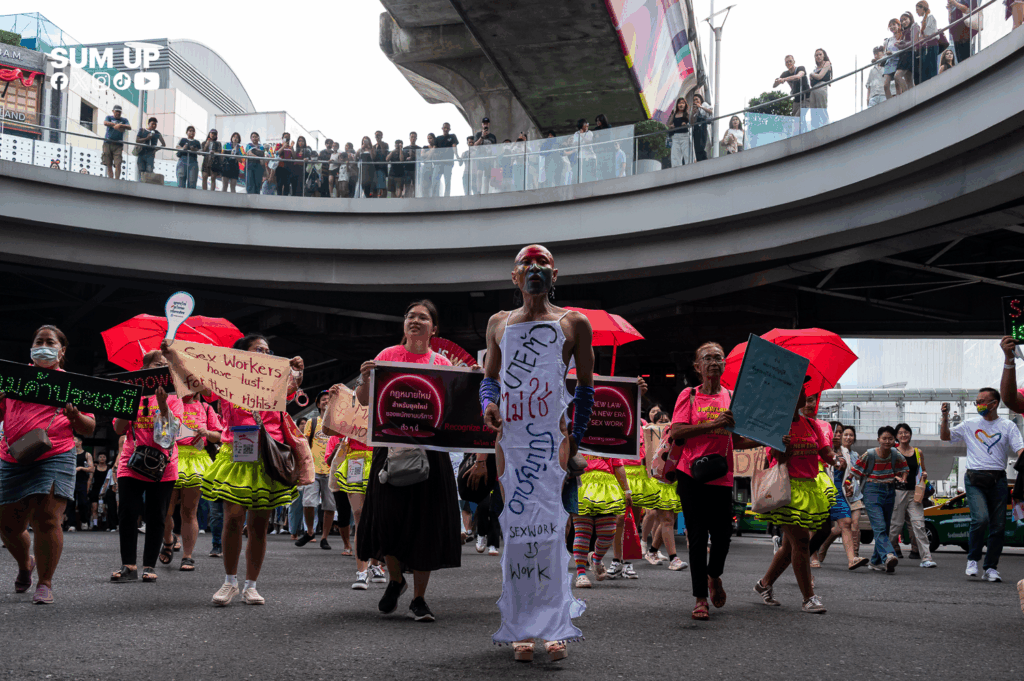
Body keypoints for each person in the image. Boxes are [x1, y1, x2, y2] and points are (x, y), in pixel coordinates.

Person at [478, 245, 590, 660]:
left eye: (542, 263)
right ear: (515, 277)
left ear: (555, 273)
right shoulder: (499, 323)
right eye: (527, 264)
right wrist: (488, 406)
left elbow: (588, 387)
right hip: (511, 442)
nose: (535, 269)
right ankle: (522, 625)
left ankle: (554, 623)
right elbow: (489, 380)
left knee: (555, 528)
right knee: (517, 528)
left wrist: (575, 435)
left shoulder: (574, 323)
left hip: (551, 442)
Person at [166, 335, 304, 605]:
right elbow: (198, 382)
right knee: (232, 518)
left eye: (267, 350)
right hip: (235, 452)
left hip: (268, 454)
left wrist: (298, 370)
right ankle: (230, 582)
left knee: (259, 525)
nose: (264, 354)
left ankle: (251, 585)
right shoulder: (225, 380)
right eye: (257, 349)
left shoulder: (277, 379)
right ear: (241, 356)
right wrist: (174, 356)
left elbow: (293, 388)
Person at [354, 300, 461, 622]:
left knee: (426, 524)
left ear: (434, 328)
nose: (415, 321)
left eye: (423, 317)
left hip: (431, 453)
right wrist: (365, 379)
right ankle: (396, 578)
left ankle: (419, 598)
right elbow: (363, 400)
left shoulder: (442, 363)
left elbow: (454, 410)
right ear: (404, 324)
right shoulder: (386, 356)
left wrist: (466, 383)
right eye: (411, 316)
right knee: (388, 518)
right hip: (390, 449)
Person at [0, 325, 96, 604]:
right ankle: (25, 564)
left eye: (49, 341)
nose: (43, 345)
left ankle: (45, 581)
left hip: (55, 453)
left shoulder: (72, 384)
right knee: (7, 525)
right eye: (38, 341)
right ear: (31, 348)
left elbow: (89, 428)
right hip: (12, 455)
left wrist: (76, 416)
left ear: (61, 350)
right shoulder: (15, 379)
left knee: (47, 518)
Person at [668, 342, 763, 620]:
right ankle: (700, 598)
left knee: (722, 535)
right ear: (698, 367)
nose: (713, 362)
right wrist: (713, 424)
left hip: (721, 475)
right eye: (707, 358)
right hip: (690, 474)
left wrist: (766, 438)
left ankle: (714, 575)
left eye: (718, 358)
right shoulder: (690, 395)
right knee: (697, 537)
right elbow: (677, 430)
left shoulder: (732, 397)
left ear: (724, 365)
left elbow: (737, 439)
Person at [754, 386, 835, 614]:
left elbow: (825, 452)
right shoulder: (777, 422)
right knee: (800, 542)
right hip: (785, 489)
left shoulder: (810, 424)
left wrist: (836, 459)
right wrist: (783, 447)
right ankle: (808, 598)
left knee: (791, 544)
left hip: (809, 488)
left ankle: (764, 584)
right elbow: (776, 459)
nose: (804, 395)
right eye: (800, 391)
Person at [110, 350, 183, 585]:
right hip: (131, 462)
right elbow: (118, 428)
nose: (161, 369)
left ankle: (149, 565)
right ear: (145, 370)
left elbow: (171, 435)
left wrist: (163, 407)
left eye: (165, 366)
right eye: (156, 365)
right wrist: (130, 402)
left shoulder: (174, 397)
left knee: (156, 515)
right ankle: (128, 565)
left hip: (164, 466)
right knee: (128, 513)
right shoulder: (132, 393)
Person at [953, 367, 1024, 581]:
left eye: (984, 400)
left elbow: (1020, 449)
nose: (979, 404)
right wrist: (945, 418)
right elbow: (946, 437)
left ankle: (991, 567)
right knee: (980, 519)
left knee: (999, 526)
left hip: (998, 480)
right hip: (974, 478)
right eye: (977, 401)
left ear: (995, 403)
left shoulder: (1008, 426)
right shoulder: (969, 424)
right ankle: (973, 559)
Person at [161, 396, 221, 572]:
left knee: (189, 511)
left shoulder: (206, 407)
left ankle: (188, 556)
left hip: (196, 459)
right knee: (165, 511)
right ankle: (168, 540)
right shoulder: (170, 401)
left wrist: (207, 433)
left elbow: (218, 435)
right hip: (172, 456)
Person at [846, 426, 908, 574]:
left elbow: (905, 469)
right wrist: (848, 486)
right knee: (879, 526)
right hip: (872, 491)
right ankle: (888, 555)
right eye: (884, 438)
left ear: (895, 440)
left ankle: (875, 561)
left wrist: (903, 479)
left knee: (885, 528)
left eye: (890, 438)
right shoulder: (870, 454)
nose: (887, 441)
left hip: (889, 491)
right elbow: (852, 473)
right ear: (878, 439)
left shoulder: (895, 454)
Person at [816, 425, 868, 564]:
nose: (838, 435)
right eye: (835, 432)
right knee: (816, 527)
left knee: (846, 523)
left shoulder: (847, 453)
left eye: (840, 432)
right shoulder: (819, 451)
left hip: (839, 494)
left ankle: (852, 559)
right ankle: (813, 556)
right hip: (821, 493)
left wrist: (848, 486)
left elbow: (849, 475)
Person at [888, 424, 936, 567]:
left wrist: (924, 475)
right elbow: (887, 471)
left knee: (919, 525)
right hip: (898, 492)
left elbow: (923, 470)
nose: (904, 435)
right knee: (895, 526)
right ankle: (884, 554)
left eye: (906, 432)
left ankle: (926, 558)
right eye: (900, 433)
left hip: (915, 493)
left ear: (910, 434)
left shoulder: (917, 452)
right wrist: (896, 478)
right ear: (896, 436)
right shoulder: (893, 452)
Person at [297, 392, 336, 550]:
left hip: (331, 469)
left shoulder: (338, 424)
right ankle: (310, 531)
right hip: (313, 469)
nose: (326, 401)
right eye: (323, 400)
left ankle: (324, 537)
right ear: (318, 404)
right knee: (308, 502)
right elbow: (305, 445)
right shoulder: (312, 422)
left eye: (329, 399)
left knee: (329, 506)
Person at [774, 56, 809, 122]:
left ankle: (802, 131)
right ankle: (804, 131)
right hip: (796, 100)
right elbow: (774, 86)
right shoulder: (785, 73)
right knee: (797, 119)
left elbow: (798, 76)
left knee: (797, 118)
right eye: (787, 62)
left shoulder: (800, 68)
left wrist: (784, 79)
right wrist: (777, 81)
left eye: (790, 61)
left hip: (806, 98)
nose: (789, 63)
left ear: (794, 62)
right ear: (785, 64)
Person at [101, 104, 131, 180]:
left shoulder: (124, 120)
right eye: (116, 111)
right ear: (113, 111)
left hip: (118, 145)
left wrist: (120, 126)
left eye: (119, 112)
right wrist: (115, 125)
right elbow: (105, 122)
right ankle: (111, 179)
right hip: (107, 143)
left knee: (118, 163)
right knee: (108, 163)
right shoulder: (109, 117)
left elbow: (129, 127)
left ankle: (117, 180)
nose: (118, 113)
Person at [71, 436, 94, 531]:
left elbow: (92, 469)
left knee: (83, 503)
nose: (72, 441)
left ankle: (84, 521)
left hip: (82, 482)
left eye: (74, 440)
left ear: (80, 442)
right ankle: (71, 524)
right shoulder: (70, 454)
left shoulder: (86, 454)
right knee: (70, 503)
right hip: (71, 481)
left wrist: (80, 468)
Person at [916, 1, 942, 83]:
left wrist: (921, 37)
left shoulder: (930, 17)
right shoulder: (924, 19)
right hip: (927, 45)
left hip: (932, 44)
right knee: (926, 68)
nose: (916, 11)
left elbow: (929, 32)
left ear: (923, 8)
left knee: (931, 67)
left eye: (917, 9)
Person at [807, 49, 833, 129]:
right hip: (813, 90)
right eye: (816, 55)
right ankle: (815, 130)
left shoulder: (827, 63)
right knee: (814, 113)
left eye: (820, 54)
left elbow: (820, 76)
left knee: (821, 109)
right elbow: (811, 83)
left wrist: (812, 74)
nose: (818, 56)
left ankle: (826, 127)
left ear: (823, 55)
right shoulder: (816, 68)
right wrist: (813, 76)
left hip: (821, 87)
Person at [894, 13, 919, 95]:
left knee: (897, 76)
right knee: (908, 79)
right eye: (902, 21)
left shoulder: (914, 26)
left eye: (905, 19)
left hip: (909, 54)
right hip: (904, 54)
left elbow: (914, 42)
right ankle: (911, 96)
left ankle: (906, 95)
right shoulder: (905, 31)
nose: (904, 22)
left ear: (910, 18)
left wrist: (902, 45)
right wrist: (901, 43)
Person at [947, 0, 979, 64]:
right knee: (960, 60)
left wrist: (955, 3)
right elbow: (950, 21)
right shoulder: (956, 2)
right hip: (956, 35)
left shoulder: (959, 2)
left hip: (965, 32)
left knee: (966, 59)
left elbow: (967, 10)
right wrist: (949, 10)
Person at [434, 122, 459, 197]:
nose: (446, 129)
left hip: (448, 162)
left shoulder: (452, 136)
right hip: (439, 162)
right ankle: (435, 196)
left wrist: (457, 156)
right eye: (445, 128)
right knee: (435, 180)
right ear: (442, 128)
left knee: (447, 180)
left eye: (447, 128)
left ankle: (446, 196)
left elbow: (454, 146)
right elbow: (434, 149)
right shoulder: (438, 138)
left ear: (449, 129)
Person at [88, 452, 110, 530]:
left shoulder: (109, 468)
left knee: (103, 509)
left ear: (106, 458)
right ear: (97, 458)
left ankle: (104, 523)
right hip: (95, 489)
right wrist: (88, 488)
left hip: (105, 490)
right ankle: (95, 525)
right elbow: (90, 479)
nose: (102, 458)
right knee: (94, 508)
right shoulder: (94, 468)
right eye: (100, 457)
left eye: (104, 457)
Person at [668, 98, 691, 167]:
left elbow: (690, 122)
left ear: (685, 104)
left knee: (687, 154)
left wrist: (686, 123)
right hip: (675, 136)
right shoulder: (675, 114)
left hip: (685, 136)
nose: (681, 105)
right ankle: (676, 171)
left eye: (683, 103)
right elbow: (669, 124)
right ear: (677, 105)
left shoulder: (686, 113)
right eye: (679, 103)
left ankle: (689, 168)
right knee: (675, 155)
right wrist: (671, 126)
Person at [884, 20, 903, 98]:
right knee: (885, 85)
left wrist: (892, 53)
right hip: (889, 62)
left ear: (898, 25)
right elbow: (885, 52)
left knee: (897, 85)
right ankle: (890, 102)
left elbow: (903, 49)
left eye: (894, 25)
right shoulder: (888, 40)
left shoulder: (902, 36)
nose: (892, 27)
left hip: (897, 61)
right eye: (890, 26)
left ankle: (900, 100)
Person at [691, 94, 712, 161]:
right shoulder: (694, 108)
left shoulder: (704, 104)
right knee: (696, 146)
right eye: (694, 100)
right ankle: (699, 160)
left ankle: (704, 160)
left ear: (700, 99)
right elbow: (692, 122)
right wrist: (693, 113)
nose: (695, 101)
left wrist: (701, 107)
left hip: (703, 126)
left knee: (702, 145)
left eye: (697, 99)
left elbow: (710, 111)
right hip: (696, 128)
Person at [274, 132, 294, 196]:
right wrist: (283, 147)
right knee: (279, 186)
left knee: (287, 187)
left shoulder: (290, 147)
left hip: (288, 168)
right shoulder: (279, 145)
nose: (287, 139)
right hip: (280, 168)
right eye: (285, 137)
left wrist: (292, 147)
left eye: (288, 138)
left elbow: (294, 157)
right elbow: (276, 153)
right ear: (282, 138)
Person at [371, 131, 390, 198]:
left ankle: (383, 200)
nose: (377, 137)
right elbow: (373, 156)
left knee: (382, 187)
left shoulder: (385, 144)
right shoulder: (373, 146)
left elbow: (384, 153)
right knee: (375, 187)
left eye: (378, 135)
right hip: (374, 168)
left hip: (382, 168)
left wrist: (380, 143)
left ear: (382, 136)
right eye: (376, 135)